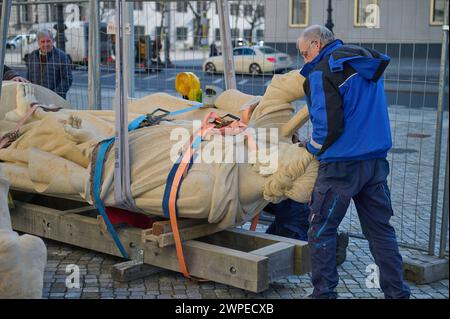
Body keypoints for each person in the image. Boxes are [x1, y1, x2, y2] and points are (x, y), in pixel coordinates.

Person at [297, 25, 410, 299]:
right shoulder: (364, 61)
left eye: (303, 52)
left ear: (315, 44)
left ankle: (323, 295)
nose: (303, 59)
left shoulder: (323, 71)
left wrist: (309, 148)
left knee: (321, 229)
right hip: (374, 162)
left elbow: (327, 128)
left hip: (340, 166)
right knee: (381, 232)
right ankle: (397, 294)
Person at [26, 29, 72, 99]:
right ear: (38, 43)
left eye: (48, 41)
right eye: (42, 41)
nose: (46, 44)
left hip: (55, 99)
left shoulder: (62, 56)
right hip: (35, 98)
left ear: (53, 41)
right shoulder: (32, 55)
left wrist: (53, 95)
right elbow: (29, 77)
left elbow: (67, 79)